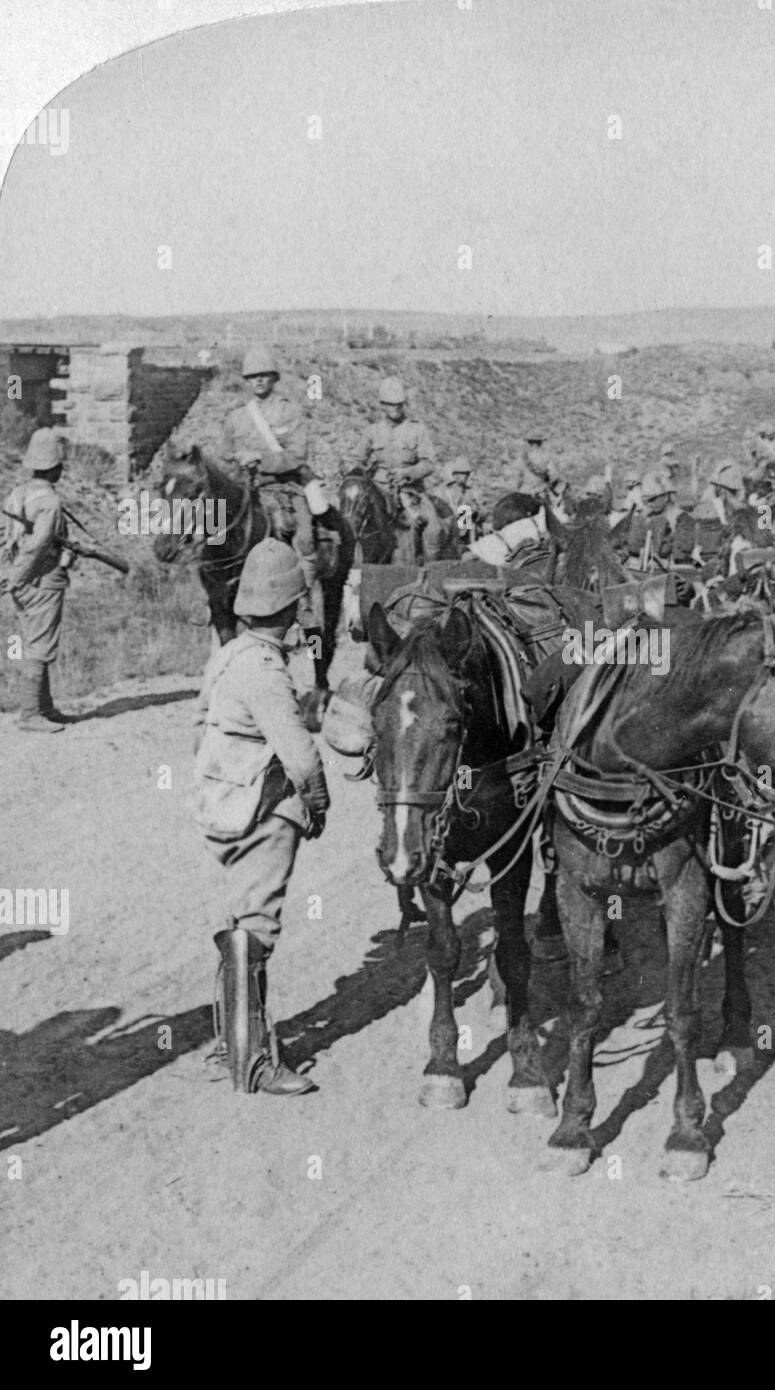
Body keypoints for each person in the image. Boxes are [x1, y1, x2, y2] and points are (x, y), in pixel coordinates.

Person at [192, 539, 330, 1096]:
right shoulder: (267, 669)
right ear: (293, 606)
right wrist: (317, 806)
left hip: (222, 798)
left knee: (240, 921)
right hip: (261, 807)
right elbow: (302, 758)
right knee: (256, 929)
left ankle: (229, 1041)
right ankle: (251, 1063)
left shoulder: (228, 653)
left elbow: (199, 721)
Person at [221, 348, 325, 627]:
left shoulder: (290, 411)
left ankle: (304, 602)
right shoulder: (236, 417)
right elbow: (226, 454)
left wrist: (262, 458)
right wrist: (237, 463)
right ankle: (216, 600)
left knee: (303, 538)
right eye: (252, 376)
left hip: (284, 488)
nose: (258, 381)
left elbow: (297, 455)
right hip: (248, 490)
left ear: (273, 377)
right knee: (215, 533)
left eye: (263, 375)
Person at [1, 428, 74, 732]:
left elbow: (7, 539)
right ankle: (31, 714)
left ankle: (44, 707)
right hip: (41, 579)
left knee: (35, 639)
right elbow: (37, 545)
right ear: (55, 467)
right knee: (40, 645)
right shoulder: (50, 503)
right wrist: (15, 579)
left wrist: (8, 573)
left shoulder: (17, 494)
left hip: (23, 579)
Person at [357, 376, 440, 557]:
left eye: (399, 404)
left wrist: (408, 472)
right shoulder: (372, 431)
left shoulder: (417, 430)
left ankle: (431, 566)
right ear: (383, 404)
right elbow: (357, 461)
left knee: (433, 528)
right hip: (378, 492)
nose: (395, 408)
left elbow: (429, 464)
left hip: (411, 492)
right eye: (390, 404)